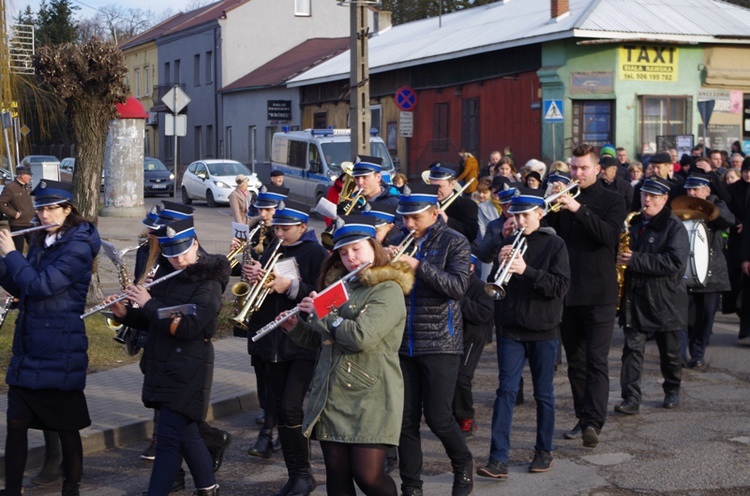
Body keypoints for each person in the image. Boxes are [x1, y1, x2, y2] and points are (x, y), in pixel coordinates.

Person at [280, 215, 414, 496]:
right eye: (343, 252)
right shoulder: (341, 287)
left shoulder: (387, 289)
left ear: (373, 247)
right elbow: (324, 340)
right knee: (337, 475)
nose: (350, 257)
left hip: (371, 394)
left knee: (368, 476)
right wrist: (296, 327)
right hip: (333, 392)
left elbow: (360, 338)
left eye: (356, 249)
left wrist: (324, 313)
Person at [106, 217, 229, 496]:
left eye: (184, 252)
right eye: (171, 253)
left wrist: (148, 303)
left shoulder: (208, 282)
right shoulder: (166, 275)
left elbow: (187, 326)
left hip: (188, 369)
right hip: (163, 364)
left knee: (168, 443)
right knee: (187, 435)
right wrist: (127, 314)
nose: (178, 259)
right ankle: (208, 488)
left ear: (195, 243)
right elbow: (155, 321)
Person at [0, 180, 101, 496]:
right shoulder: (42, 240)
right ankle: (12, 490)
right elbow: (22, 287)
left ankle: (71, 488)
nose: (43, 215)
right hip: (30, 347)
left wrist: (11, 255)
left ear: (67, 209)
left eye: (50, 208)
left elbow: (42, 286)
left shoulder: (79, 246)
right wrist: (3, 262)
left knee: (66, 429)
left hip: (61, 348)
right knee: (15, 425)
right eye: (40, 208)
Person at [387, 183, 474, 496]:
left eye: (416, 218)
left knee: (438, 417)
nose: (408, 224)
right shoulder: (398, 238)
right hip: (402, 342)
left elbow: (457, 288)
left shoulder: (455, 241)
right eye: (405, 218)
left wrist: (419, 266)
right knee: (405, 421)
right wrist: (385, 262)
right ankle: (412, 486)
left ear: (436, 214)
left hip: (440, 342)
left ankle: (463, 464)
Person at [478, 188, 570, 479]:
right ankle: (498, 459)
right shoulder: (508, 241)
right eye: (515, 214)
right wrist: (500, 260)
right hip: (511, 329)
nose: (518, 220)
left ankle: (543, 450)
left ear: (539, 214)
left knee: (543, 394)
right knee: (505, 392)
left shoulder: (555, 245)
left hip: (543, 329)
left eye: (525, 214)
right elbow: (494, 284)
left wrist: (525, 270)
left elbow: (558, 287)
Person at [242, 201, 329, 496]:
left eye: (286, 228)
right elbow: (264, 295)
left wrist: (290, 287)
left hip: (302, 342)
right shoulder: (272, 250)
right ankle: (295, 475)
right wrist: (256, 277)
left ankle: (305, 474)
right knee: (279, 409)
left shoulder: (316, 253)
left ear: (302, 227)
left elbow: (323, 297)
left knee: (292, 407)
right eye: (277, 227)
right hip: (272, 342)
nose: (279, 233)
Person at [545, 144, 625, 448]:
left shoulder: (612, 200)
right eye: (573, 168)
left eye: (583, 168)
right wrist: (548, 201)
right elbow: (547, 235)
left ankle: (594, 422)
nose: (577, 173)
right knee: (575, 364)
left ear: (597, 170)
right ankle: (582, 417)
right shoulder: (561, 199)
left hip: (600, 293)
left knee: (597, 361)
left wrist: (577, 209)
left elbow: (608, 237)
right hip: (568, 293)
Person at [615, 177, 689, 413]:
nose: (647, 200)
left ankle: (672, 390)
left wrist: (635, 260)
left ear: (664, 199)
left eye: (653, 196)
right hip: (635, 296)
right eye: (645, 195)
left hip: (663, 298)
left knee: (669, 350)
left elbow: (674, 263)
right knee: (632, 350)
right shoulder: (633, 221)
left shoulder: (674, 226)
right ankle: (631, 398)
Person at [680, 174, 733, 368]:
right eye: (689, 189)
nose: (691, 193)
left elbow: (729, 221)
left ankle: (698, 352)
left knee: (706, 315)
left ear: (706, 191)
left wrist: (710, 208)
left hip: (712, 270)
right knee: (681, 314)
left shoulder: (717, 204)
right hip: (686, 269)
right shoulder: (681, 204)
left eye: (695, 189)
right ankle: (679, 354)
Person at [454, 256, 494, 437]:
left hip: (471, 338)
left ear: (471, 266)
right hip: (450, 337)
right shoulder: (450, 281)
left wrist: (461, 300)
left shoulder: (480, 287)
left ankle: (466, 418)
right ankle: (454, 416)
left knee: (462, 377)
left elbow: (483, 314)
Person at [428, 162, 479, 244]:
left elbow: (471, 234)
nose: (435, 190)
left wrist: (447, 220)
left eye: (440, 186)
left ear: (452, 184)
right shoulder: (424, 203)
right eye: (431, 186)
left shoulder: (467, 205)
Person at [0, 165, 35, 253]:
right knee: (18, 250)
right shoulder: (10, 188)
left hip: (30, 223)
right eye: (29, 175)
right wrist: (13, 214)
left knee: (34, 248)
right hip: (18, 224)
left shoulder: (26, 187)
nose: (30, 177)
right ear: (22, 175)